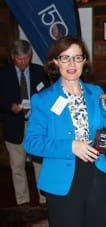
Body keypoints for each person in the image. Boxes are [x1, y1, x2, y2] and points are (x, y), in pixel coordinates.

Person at [23, 36, 106, 227]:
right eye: (65, 58)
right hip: (61, 179)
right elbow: (32, 142)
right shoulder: (43, 99)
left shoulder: (96, 92)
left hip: (97, 175)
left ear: (84, 61)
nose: (71, 64)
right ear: (55, 61)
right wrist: (71, 146)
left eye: (77, 58)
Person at [0, 40, 50, 207]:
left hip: (37, 126)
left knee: (40, 166)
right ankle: (23, 203)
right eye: (19, 59)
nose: (23, 62)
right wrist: (10, 107)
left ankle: (44, 201)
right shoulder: (3, 74)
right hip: (14, 126)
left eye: (26, 58)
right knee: (18, 167)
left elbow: (47, 96)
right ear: (13, 57)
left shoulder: (40, 71)